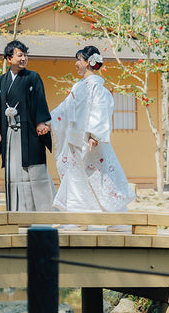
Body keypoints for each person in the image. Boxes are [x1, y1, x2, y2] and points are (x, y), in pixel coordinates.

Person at [50, 46, 135, 213]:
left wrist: (94, 135)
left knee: (103, 178)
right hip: (75, 141)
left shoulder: (98, 88)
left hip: (91, 142)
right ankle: (78, 217)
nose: (76, 64)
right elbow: (64, 108)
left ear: (88, 62)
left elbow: (101, 109)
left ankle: (118, 218)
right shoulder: (77, 87)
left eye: (79, 60)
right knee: (75, 179)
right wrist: (47, 121)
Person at [0, 40, 55, 211]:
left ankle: (46, 214)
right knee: (14, 173)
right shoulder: (0, 83)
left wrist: (40, 123)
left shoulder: (33, 78)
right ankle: (19, 214)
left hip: (29, 132)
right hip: (8, 134)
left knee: (35, 172)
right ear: (9, 58)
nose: (24, 58)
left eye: (25, 55)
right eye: (20, 55)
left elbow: (39, 102)